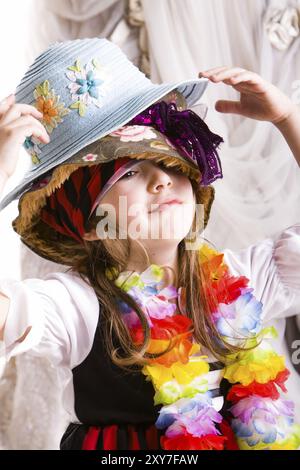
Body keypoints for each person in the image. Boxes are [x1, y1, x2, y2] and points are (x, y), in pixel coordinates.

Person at [0, 38, 300, 451]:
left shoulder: (243, 280)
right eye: (126, 174)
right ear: (85, 221)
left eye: (165, 159)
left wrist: (289, 119)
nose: (161, 179)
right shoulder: (75, 307)